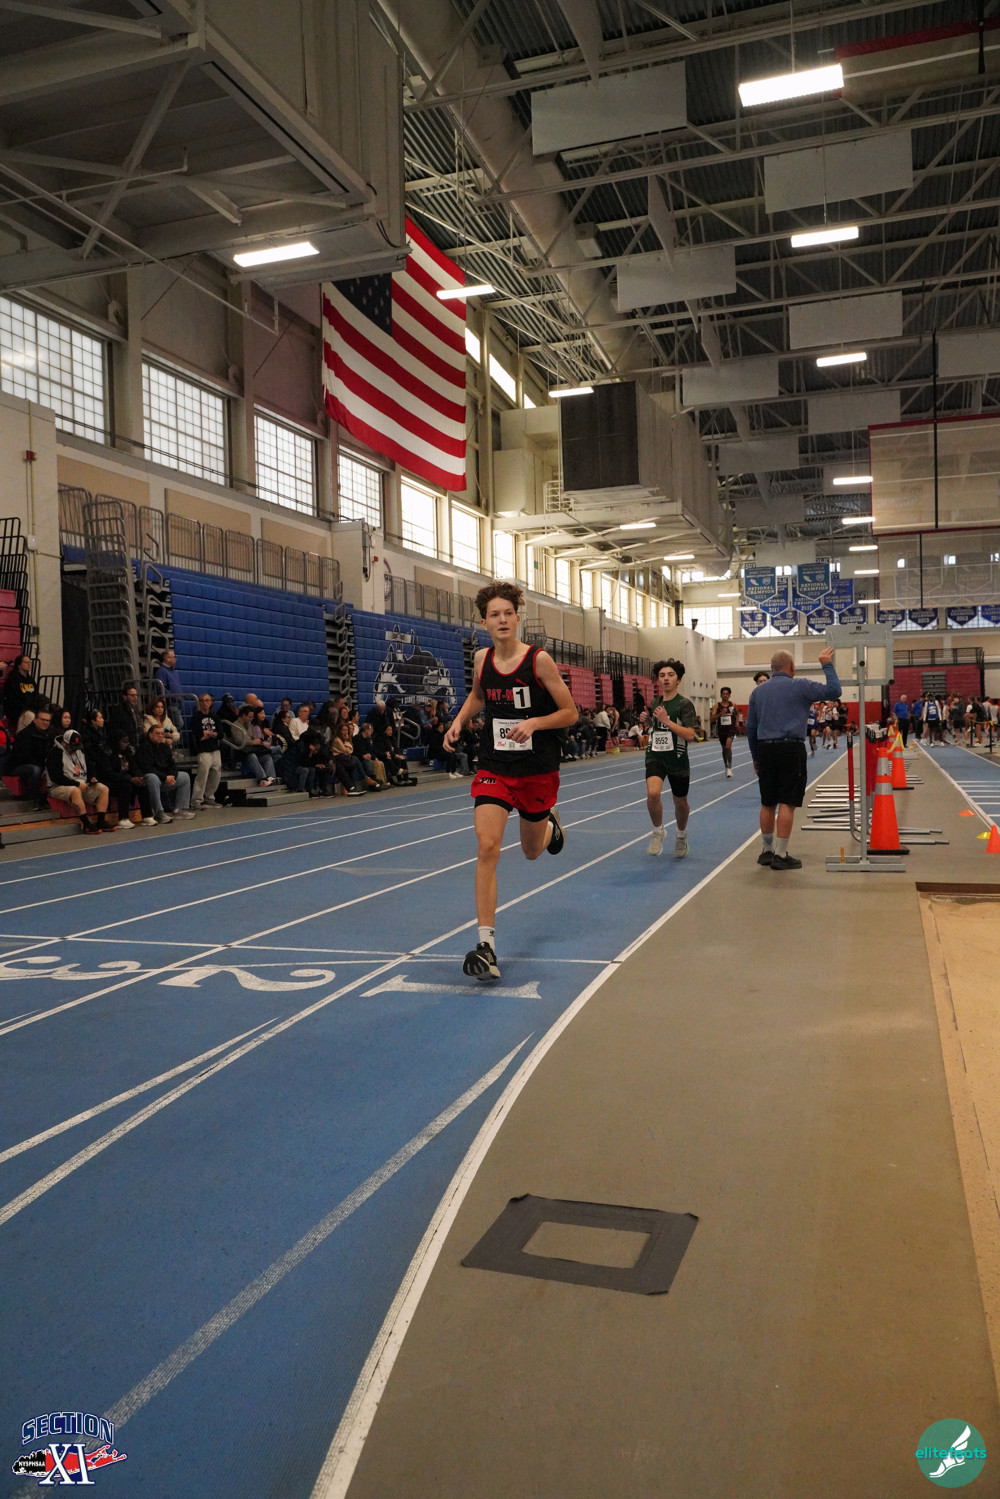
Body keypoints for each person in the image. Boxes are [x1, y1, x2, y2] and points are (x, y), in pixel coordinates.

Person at [444, 581, 577, 983]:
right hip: (495, 766)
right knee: (487, 846)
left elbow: (570, 712)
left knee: (532, 851)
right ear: (484, 622)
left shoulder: (538, 661)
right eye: (494, 615)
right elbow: (478, 695)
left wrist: (535, 722)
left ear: (518, 618)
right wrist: (458, 720)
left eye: (507, 613)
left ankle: (550, 825)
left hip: (536, 769)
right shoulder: (482, 659)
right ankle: (486, 946)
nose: (501, 620)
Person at [746, 646, 842, 871]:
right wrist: (826, 663)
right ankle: (781, 854)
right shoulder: (800, 685)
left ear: (772, 668)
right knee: (787, 802)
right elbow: (834, 690)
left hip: (765, 749)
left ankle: (766, 851)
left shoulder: (757, 692)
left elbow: (751, 729)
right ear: (792, 667)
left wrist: (756, 758)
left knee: (767, 802)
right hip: (791, 748)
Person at [640, 659, 698, 858]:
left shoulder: (684, 704)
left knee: (680, 802)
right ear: (658, 679)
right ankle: (658, 831)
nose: (666, 679)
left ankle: (681, 835)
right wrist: (648, 721)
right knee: (653, 793)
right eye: (662, 675)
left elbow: (690, 735)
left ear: (678, 680)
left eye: (670, 675)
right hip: (655, 755)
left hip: (677, 758)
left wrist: (666, 720)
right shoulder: (655, 702)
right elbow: (657, 728)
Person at [45, 727, 111, 833]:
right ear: (65, 743)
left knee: (103, 788)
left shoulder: (80, 752)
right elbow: (56, 777)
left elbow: (90, 766)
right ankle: (86, 824)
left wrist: (92, 778)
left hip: (81, 783)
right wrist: (76, 784)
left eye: (76, 746)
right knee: (75, 790)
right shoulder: (55, 753)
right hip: (57, 786)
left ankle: (101, 821)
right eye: (72, 746)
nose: (75, 749)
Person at [134, 723, 195, 822]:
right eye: (157, 733)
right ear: (150, 734)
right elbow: (147, 768)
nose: (160, 736)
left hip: (165, 779)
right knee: (152, 777)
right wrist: (164, 777)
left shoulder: (165, 747)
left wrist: (172, 776)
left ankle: (180, 810)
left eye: (162, 734)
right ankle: (159, 812)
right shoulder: (143, 748)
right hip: (152, 780)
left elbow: (172, 765)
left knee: (184, 776)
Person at [8, 706, 53, 807]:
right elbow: (22, 757)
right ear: (35, 720)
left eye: (48, 720)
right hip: (19, 766)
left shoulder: (49, 735)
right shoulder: (25, 734)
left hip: (39, 764)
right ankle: (36, 798)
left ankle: (48, 797)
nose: (45, 722)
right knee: (35, 769)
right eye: (42, 719)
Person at [190, 693, 223, 809]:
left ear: (211, 702)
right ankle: (196, 800)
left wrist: (208, 733)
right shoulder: (196, 717)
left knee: (216, 774)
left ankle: (209, 797)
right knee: (202, 775)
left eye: (207, 700)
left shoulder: (215, 717)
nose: (204, 703)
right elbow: (199, 734)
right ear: (199, 703)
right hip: (203, 750)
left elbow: (221, 734)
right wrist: (212, 734)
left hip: (215, 749)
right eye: (202, 700)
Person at [3, 654, 43, 732]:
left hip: (30, 710)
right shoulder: (13, 679)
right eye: (26, 662)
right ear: (19, 665)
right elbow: (12, 697)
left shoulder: (31, 680)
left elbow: (36, 695)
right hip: (18, 710)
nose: (29, 664)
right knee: (31, 717)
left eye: (30, 662)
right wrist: (24, 709)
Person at [710, 686, 740, 777]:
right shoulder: (717, 706)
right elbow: (711, 719)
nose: (725, 695)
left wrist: (737, 722)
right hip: (722, 730)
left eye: (727, 694)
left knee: (728, 746)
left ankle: (730, 767)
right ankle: (726, 766)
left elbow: (737, 714)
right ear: (721, 695)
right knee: (724, 749)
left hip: (731, 729)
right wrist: (720, 713)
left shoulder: (733, 704)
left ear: (730, 695)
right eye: (723, 694)